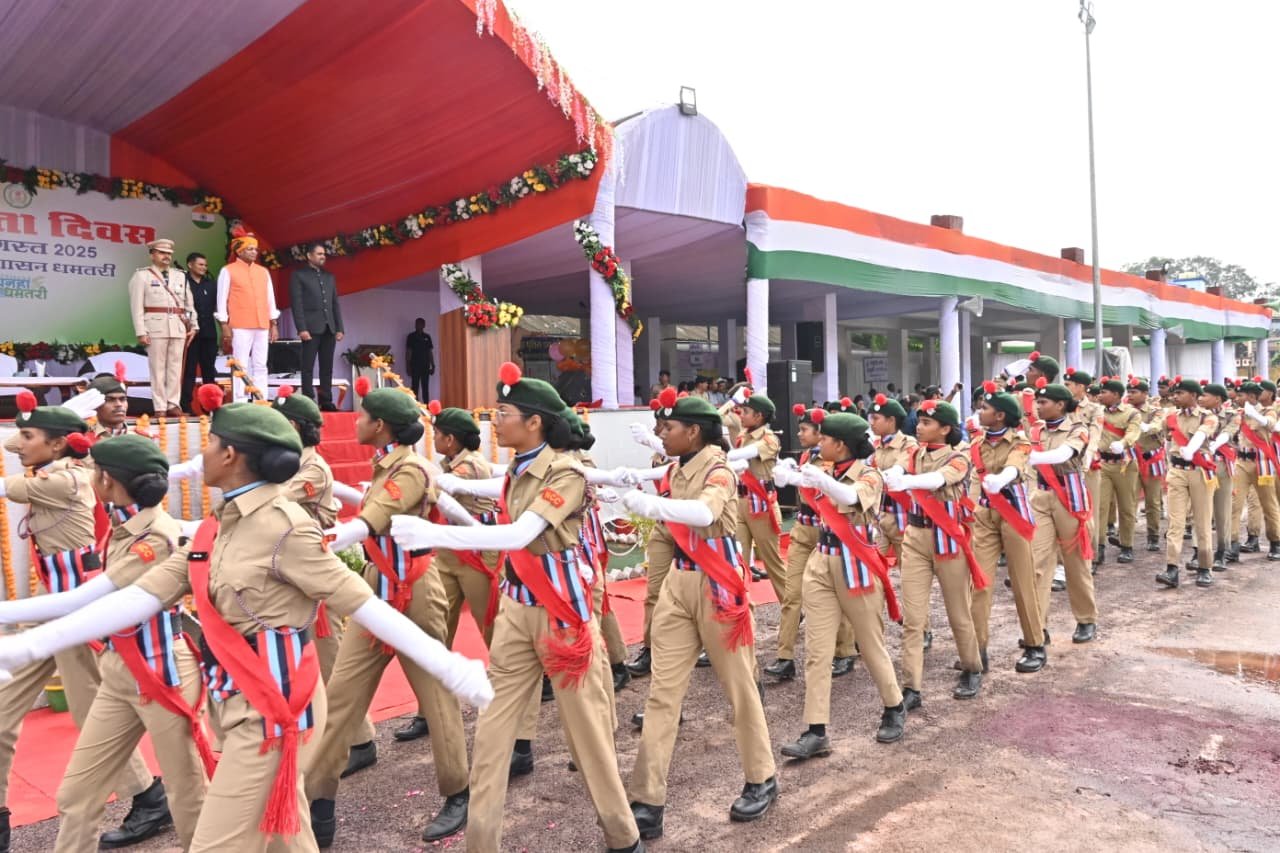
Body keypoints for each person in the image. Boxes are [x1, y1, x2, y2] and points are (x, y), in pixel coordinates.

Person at [0, 390, 491, 852]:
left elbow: (362, 603)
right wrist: (27, 646)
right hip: (233, 698)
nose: (203, 455)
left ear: (232, 455)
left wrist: (451, 667)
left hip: (273, 709)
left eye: (211, 442)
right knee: (284, 836)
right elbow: (136, 599)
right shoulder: (219, 525)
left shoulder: (286, 529)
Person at [389, 363, 643, 853]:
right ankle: (481, 844)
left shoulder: (566, 474)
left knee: (588, 736)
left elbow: (520, 534)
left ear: (535, 423)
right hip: (516, 613)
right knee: (491, 735)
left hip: (561, 618)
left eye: (503, 413)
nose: (495, 421)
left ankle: (622, 836)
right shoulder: (518, 470)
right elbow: (489, 493)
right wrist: (443, 489)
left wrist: (434, 533)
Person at [0, 435, 212, 852]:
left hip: (161, 673)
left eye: (95, 469)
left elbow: (89, 599)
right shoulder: (121, 526)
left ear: (109, 480)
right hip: (120, 671)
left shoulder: (155, 537)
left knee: (189, 799)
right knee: (76, 795)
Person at [306, 385, 472, 847]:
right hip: (376, 593)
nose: (354, 422)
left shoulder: (412, 468)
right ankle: (319, 800)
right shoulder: (387, 464)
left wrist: (328, 542)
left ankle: (458, 791)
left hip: (417, 592)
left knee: (435, 696)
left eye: (361, 416)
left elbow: (374, 516)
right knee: (341, 696)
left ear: (379, 425)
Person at [622, 390, 777, 838]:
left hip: (718, 584)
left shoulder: (719, 468)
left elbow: (705, 510)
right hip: (679, 582)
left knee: (739, 689)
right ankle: (648, 799)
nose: (660, 433)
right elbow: (651, 472)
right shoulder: (680, 465)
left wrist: (654, 506)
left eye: (667, 428)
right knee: (661, 694)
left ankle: (761, 776)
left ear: (692, 431)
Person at [779, 409, 906, 758]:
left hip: (857, 565)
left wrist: (818, 481)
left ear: (841, 444)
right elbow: (811, 492)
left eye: (824, 439)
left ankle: (894, 705)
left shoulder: (870, 475)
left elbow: (850, 499)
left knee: (870, 643)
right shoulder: (823, 470)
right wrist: (789, 477)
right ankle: (815, 729)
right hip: (822, 560)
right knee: (817, 649)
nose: (819, 444)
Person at [271, 387, 382, 770]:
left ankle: (360, 739)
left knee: (330, 656)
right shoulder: (287, 461)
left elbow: (278, 499)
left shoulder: (312, 467)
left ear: (295, 427)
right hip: (292, 572)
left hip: (317, 569)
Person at [881, 400, 985, 708]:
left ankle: (971, 667)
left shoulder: (960, 456)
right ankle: (911, 686)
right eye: (920, 421)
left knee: (958, 613)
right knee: (914, 619)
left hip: (948, 540)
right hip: (914, 538)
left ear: (945, 428)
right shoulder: (914, 452)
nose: (920, 426)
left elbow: (939, 479)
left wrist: (908, 481)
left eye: (927, 422)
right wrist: (894, 474)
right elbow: (899, 466)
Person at [764, 405, 856, 681]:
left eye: (805, 430)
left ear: (822, 433)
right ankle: (785, 656)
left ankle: (845, 651)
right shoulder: (806, 455)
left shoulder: (836, 463)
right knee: (792, 595)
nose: (800, 434)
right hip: (804, 531)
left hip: (829, 532)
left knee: (837, 596)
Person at [967, 383, 1044, 672]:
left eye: (985, 408)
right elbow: (974, 477)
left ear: (999, 416)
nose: (980, 411)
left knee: (1023, 582)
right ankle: (977, 649)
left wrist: (1003, 479)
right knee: (980, 583)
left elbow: (1016, 464)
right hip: (986, 515)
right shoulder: (977, 443)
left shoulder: (1021, 441)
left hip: (1013, 513)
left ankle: (1035, 643)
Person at [1028, 379, 1099, 643]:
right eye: (1037, 401)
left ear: (1060, 404)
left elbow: (1064, 454)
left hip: (1070, 499)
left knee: (1076, 562)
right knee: (1037, 563)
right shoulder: (1036, 430)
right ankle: (1037, 627)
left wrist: (1033, 457)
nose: (1039, 406)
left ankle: (1086, 619)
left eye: (1043, 402)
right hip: (1041, 497)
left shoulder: (1078, 428)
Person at [1155, 377, 1218, 589]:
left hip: (1199, 472)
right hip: (1177, 471)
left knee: (1202, 521)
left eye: (1180, 393)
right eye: (1174, 393)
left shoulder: (1207, 417)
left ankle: (1204, 567)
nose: (1175, 397)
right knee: (1175, 522)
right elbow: (1159, 432)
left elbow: (1202, 434)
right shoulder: (1170, 416)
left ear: (1193, 395)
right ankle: (1172, 568)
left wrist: (1191, 449)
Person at [129, 238, 196, 418]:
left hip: (178, 326)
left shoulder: (180, 275)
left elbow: (189, 303)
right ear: (152, 254)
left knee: (175, 368)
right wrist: (141, 331)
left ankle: (173, 404)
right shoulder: (142, 276)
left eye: (169, 253)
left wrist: (194, 325)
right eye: (162, 253)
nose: (166, 256)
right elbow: (136, 307)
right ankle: (159, 406)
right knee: (157, 369)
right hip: (155, 326)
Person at [729, 393, 785, 599]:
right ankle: (740, 607)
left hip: (761, 504)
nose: (740, 415)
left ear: (759, 416)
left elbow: (746, 454)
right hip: (740, 503)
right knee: (736, 560)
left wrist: (718, 455)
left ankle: (793, 607)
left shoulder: (770, 439)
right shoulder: (743, 436)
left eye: (745, 412)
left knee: (772, 563)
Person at [216, 229, 279, 402]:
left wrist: (274, 323)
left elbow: (270, 298)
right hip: (240, 324)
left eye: (255, 249)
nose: (254, 252)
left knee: (260, 364)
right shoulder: (228, 270)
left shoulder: (263, 271)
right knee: (240, 364)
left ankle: (261, 399)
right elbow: (221, 300)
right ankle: (240, 400)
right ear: (239, 251)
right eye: (250, 249)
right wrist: (224, 324)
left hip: (262, 324)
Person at [289, 243, 344, 411]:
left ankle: (326, 400)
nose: (323, 257)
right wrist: (301, 328)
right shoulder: (299, 275)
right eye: (319, 254)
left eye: (324, 254)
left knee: (327, 367)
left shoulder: (329, 277)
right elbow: (296, 304)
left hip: (329, 327)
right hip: (310, 328)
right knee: (307, 367)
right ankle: (307, 400)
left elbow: (335, 303)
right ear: (309, 256)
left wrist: (340, 327)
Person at [1232, 378, 1280, 561]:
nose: (1237, 398)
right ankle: (1233, 543)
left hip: (1262, 463)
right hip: (1242, 462)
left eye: (1240, 395)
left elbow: (1270, 424)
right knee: (1235, 504)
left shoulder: (1269, 411)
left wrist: (1254, 414)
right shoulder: (1239, 413)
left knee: (1269, 504)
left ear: (1251, 396)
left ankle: (1276, 542)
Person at [1094, 377, 1141, 565]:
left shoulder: (1132, 413)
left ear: (1115, 395)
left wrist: (1122, 444)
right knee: (1100, 506)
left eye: (1103, 392)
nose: (1100, 395)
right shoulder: (1097, 412)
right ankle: (1099, 548)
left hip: (1124, 465)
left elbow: (1133, 433)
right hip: (1102, 464)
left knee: (1126, 506)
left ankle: (1126, 545)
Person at [1199, 381, 1236, 573]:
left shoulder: (1232, 414)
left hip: (1221, 465)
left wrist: (1214, 445)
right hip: (1201, 465)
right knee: (1200, 510)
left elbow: (1229, 433)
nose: (1201, 398)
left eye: (1205, 395)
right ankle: (1201, 552)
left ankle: (1222, 551)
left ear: (1218, 399)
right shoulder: (1198, 415)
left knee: (1221, 511)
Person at [1127, 377, 1167, 552]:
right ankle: (1126, 539)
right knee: (1128, 501)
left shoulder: (1154, 411)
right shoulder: (1125, 410)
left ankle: (1153, 535)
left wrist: (1141, 425)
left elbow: (1157, 426)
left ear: (1145, 394)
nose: (1130, 395)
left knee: (1152, 501)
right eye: (1128, 392)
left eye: (1134, 392)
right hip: (1131, 460)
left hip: (1151, 459)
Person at [180, 252, 219, 414]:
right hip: (190, 334)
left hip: (209, 333)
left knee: (209, 370)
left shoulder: (211, 284)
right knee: (189, 370)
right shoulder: (183, 283)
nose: (204, 268)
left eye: (205, 265)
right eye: (200, 264)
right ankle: (186, 405)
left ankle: (210, 406)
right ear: (190, 265)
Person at [406, 318, 435, 401]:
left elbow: (430, 352)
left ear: (424, 325)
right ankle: (415, 407)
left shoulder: (427, 337)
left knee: (425, 387)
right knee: (414, 387)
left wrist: (433, 365)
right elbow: (408, 352)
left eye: (420, 324)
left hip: (425, 365)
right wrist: (408, 366)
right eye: (416, 324)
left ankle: (426, 408)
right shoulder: (411, 336)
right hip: (415, 365)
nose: (417, 325)